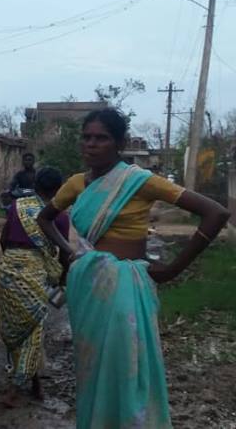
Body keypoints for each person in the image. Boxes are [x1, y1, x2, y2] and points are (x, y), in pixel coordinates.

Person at [37, 108, 230, 429]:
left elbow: (216, 213)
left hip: (125, 287)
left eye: (101, 138)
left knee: (126, 366)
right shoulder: (76, 184)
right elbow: (44, 218)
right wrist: (69, 253)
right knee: (92, 368)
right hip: (87, 287)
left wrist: (174, 269)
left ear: (120, 142)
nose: (91, 144)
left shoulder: (140, 182)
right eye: (86, 137)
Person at [0, 167, 69, 407]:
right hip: (35, 275)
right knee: (33, 331)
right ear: (58, 190)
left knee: (16, 330)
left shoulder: (18, 206)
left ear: (35, 185)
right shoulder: (60, 216)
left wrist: (13, 262)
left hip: (8, 272)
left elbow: (3, 239)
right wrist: (61, 280)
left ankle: (31, 382)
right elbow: (64, 254)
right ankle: (18, 386)